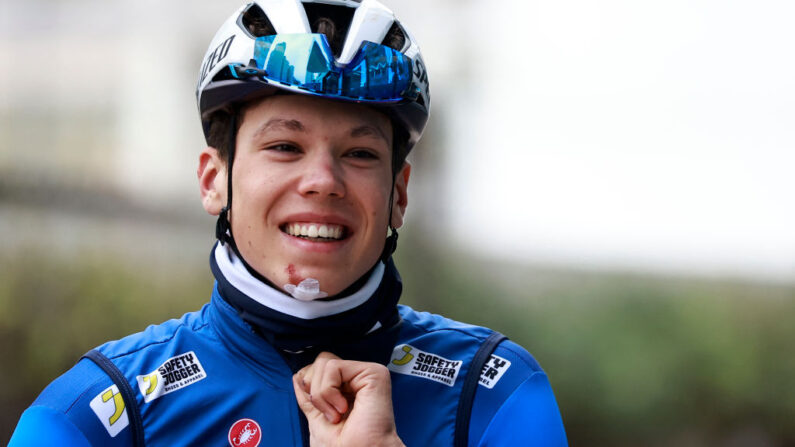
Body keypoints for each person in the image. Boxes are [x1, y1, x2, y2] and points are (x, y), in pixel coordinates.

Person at [9, 1, 568, 445]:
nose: (323, 180)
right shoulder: (98, 414)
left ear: (399, 193)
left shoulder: (492, 393)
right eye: (284, 145)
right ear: (213, 181)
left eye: (360, 154)